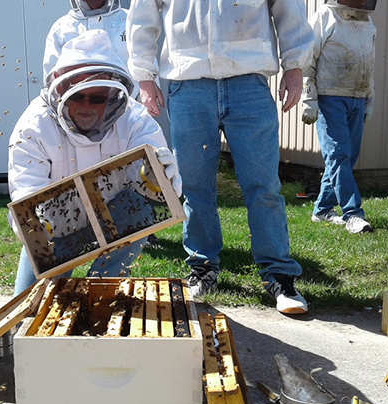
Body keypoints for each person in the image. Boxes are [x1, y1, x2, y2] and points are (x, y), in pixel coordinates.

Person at [126, 0, 315, 314]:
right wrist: (145, 77)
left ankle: (279, 275)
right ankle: (202, 266)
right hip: (188, 82)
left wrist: (294, 67)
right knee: (195, 187)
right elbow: (142, 15)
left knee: (264, 185)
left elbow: (288, 8)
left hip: (248, 80)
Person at [9, 29, 181, 297]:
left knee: (137, 210)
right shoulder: (33, 128)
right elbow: (27, 194)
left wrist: (162, 178)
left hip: (116, 216)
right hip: (58, 223)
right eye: (77, 96)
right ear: (60, 91)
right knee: (28, 306)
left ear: (113, 97)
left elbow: (152, 180)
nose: (87, 106)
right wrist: (37, 226)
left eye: (98, 97)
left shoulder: (135, 120)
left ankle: (101, 292)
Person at [302, 0, 376, 234]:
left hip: (357, 96)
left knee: (346, 157)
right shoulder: (325, 16)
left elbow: (369, 63)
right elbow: (307, 58)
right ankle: (352, 213)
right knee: (338, 154)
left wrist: (369, 100)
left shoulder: (367, 20)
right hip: (329, 97)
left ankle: (322, 209)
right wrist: (309, 98)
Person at [42, 0, 128, 82]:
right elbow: (51, 79)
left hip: (127, 96)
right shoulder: (61, 29)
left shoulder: (130, 21)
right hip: (75, 97)